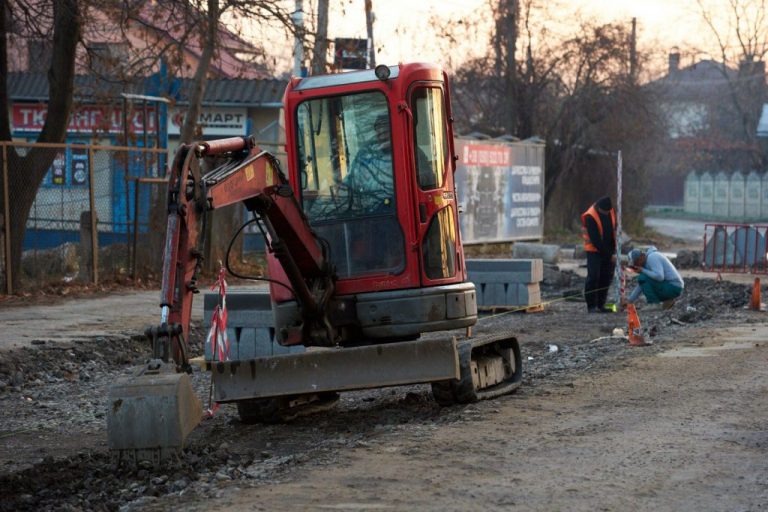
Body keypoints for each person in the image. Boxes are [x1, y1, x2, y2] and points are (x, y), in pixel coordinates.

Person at [345, 114, 395, 214]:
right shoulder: (367, 154)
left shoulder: (406, 151)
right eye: (379, 134)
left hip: (394, 209)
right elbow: (352, 180)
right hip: (370, 211)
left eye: (385, 133)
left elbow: (426, 178)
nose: (382, 137)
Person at [581, 196, 616, 313]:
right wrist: (609, 256)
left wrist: (613, 251)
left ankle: (601, 304)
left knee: (606, 277)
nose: (607, 214)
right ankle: (591, 306)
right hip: (594, 251)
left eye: (608, 212)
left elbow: (613, 230)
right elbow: (596, 241)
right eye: (604, 212)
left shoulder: (610, 211)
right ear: (599, 208)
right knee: (593, 277)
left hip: (609, 250)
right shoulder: (590, 216)